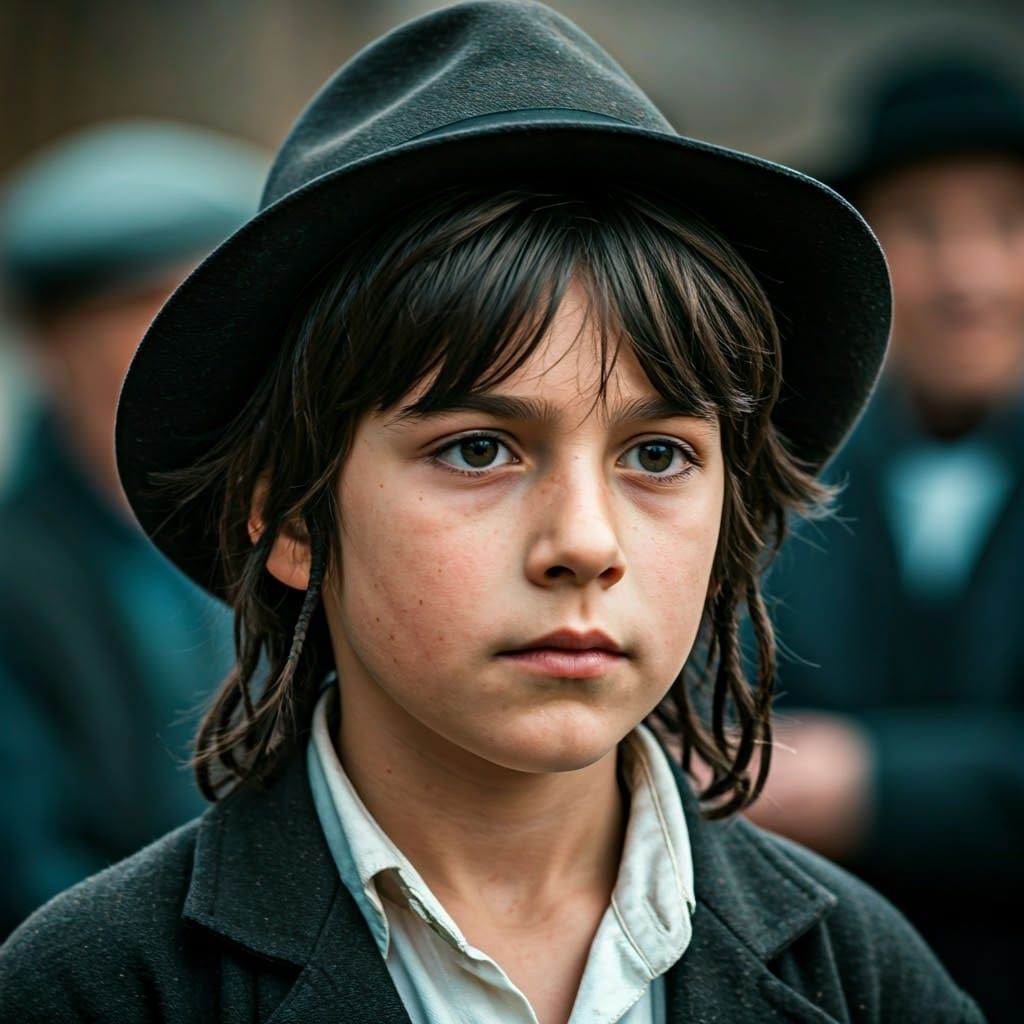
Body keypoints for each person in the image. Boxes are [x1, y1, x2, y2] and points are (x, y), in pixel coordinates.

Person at [0, 4, 984, 1021]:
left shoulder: (861, 975)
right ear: (290, 516)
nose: (585, 544)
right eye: (478, 450)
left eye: (657, 455)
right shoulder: (93, 989)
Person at [752, 49, 1024, 1022]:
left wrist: (870, 783)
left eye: (1006, 223)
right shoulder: (779, 478)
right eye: (922, 226)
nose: (967, 278)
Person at [0, 121, 267, 937]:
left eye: (204, 302)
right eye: (143, 305)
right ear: (53, 342)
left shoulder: (282, 524)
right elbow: (33, 870)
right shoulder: (18, 582)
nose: (188, 338)